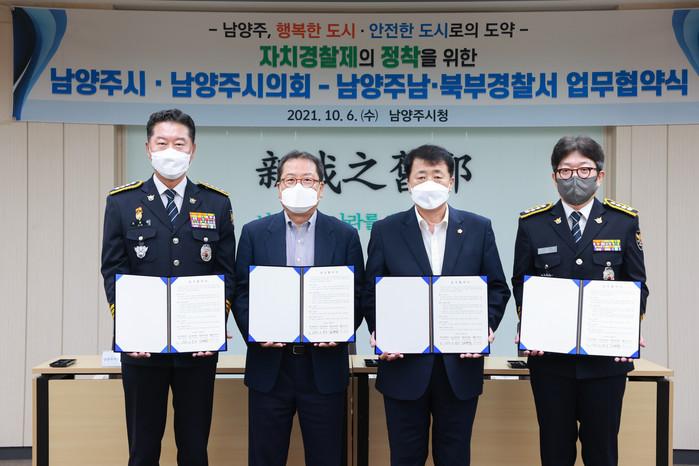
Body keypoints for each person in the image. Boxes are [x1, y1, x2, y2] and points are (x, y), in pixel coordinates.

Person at [100, 108, 236, 466]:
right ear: (148, 148)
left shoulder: (216, 203)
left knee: (194, 447)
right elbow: (113, 269)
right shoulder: (122, 203)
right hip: (142, 349)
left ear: (193, 149)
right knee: (143, 449)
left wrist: (213, 326)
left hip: (197, 350)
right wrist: (128, 328)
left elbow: (226, 273)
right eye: (162, 143)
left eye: (179, 143)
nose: (170, 151)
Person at [362, 144, 510, 466]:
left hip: (459, 366)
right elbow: (371, 290)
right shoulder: (386, 230)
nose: (429, 182)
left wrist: (484, 326)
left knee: (454, 456)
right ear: (408, 182)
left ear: (451, 181)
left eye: (438, 175)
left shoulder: (478, 228)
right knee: (405, 457)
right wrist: (380, 330)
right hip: (403, 366)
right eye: (421, 176)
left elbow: (498, 287)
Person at [512, 135, 649, 466]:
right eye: (566, 170)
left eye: (584, 169)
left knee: (601, 450)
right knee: (555, 450)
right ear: (554, 176)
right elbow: (521, 282)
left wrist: (629, 330)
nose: (575, 177)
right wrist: (528, 327)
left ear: (599, 175)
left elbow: (637, 284)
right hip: (551, 361)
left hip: (605, 361)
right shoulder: (533, 223)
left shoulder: (623, 221)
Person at [233, 150, 364, 466]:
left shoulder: (344, 235)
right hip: (270, 366)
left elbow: (358, 293)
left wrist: (341, 330)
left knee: (327, 458)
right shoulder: (254, 233)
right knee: (265, 458)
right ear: (278, 187)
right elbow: (240, 292)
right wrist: (256, 331)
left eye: (307, 180)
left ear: (321, 188)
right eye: (290, 180)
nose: (299, 186)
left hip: (324, 367)